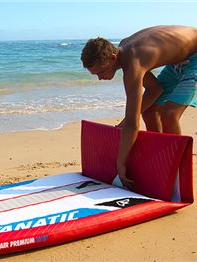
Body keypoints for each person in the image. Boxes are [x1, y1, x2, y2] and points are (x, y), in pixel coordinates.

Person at [80, 25, 197, 188]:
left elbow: (133, 125)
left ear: (113, 57)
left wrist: (120, 163)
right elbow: (155, 89)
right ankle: (161, 158)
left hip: (195, 57)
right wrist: (128, 119)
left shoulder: (133, 64)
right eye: (96, 74)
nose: (100, 77)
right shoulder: (123, 49)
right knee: (149, 112)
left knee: (169, 114)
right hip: (177, 62)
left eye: (102, 71)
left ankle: (177, 174)